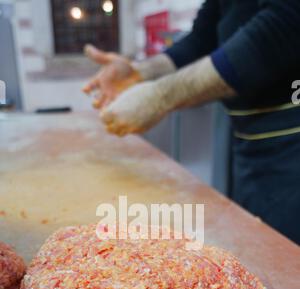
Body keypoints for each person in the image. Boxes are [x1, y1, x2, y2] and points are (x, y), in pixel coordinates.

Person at [83, 0, 300, 245]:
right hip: (250, 145)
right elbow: (201, 39)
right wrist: (139, 72)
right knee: (260, 246)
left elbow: (276, 34)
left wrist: (161, 96)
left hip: (293, 151)